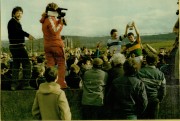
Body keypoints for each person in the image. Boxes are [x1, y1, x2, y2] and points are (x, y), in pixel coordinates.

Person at [40, 2, 68, 88]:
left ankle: (50, 83)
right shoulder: (50, 19)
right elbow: (55, 31)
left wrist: (60, 20)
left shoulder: (45, 19)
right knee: (61, 63)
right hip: (56, 44)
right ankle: (61, 83)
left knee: (50, 64)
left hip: (47, 45)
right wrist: (61, 23)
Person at [7, 6, 35, 90]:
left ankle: (14, 85)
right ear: (14, 14)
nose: (19, 14)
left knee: (16, 65)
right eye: (17, 13)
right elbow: (19, 31)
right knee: (27, 64)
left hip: (13, 47)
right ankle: (25, 84)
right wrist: (28, 35)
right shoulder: (13, 22)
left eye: (21, 13)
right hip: (19, 46)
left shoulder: (12, 22)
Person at [137, 54, 166, 119]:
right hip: (154, 100)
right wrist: (159, 100)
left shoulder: (139, 72)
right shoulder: (161, 74)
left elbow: (136, 87)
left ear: (146, 61)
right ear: (156, 62)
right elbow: (163, 90)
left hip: (141, 101)